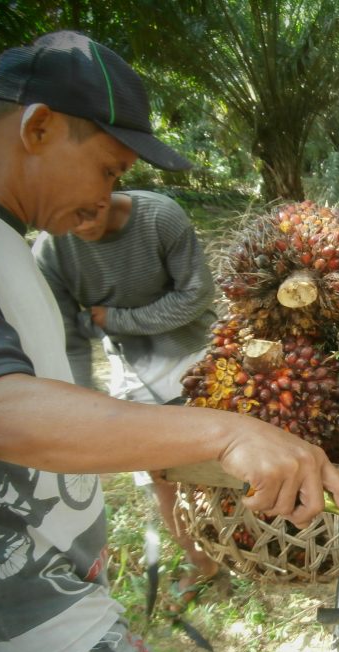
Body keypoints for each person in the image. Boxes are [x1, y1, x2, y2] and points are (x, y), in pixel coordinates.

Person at [0, 30, 339, 652]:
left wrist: (77, 517)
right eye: (107, 167)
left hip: (32, 568)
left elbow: (41, 394)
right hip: (2, 594)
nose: (108, 195)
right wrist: (225, 432)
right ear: (37, 127)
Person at [33, 190, 222, 604]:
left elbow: (196, 296)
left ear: (107, 182)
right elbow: (69, 341)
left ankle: (248, 548)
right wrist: (80, 409)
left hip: (199, 355)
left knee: (226, 463)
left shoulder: (160, 217)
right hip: (134, 371)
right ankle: (202, 561)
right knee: (162, 479)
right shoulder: (49, 251)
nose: (84, 224)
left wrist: (116, 319)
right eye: (72, 216)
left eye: (93, 209)